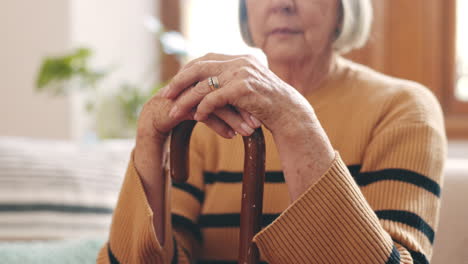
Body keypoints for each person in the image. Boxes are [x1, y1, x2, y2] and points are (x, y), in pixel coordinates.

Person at [97, 0, 446, 263]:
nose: (282, 4)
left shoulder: (403, 108)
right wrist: (148, 139)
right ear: (247, 12)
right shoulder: (209, 117)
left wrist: (293, 121)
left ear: (344, 10)